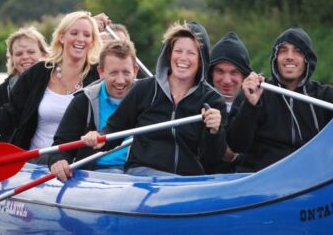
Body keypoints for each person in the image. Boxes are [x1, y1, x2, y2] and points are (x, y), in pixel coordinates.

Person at [0, 11, 109, 161]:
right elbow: (9, 112)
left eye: (87, 35)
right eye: (74, 33)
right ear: (62, 37)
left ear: (93, 41)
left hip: (76, 163)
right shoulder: (38, 73)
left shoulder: (99, 77)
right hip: (33, 161)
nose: (80, 39)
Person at [227, 27, 333, 172]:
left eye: (298, 51)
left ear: (307, 60)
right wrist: (250, 105)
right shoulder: (255, 91)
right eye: (283, 51)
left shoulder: (325, 96)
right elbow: (237, 145)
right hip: (262, 179)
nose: (289, 57)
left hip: (308, 181)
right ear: (275, 59)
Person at [81, 22, 227, 176]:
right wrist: (99, 137)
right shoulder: (144, 90)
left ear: (201, 59)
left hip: (187, 182)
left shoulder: (213, 100)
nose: (183, 58)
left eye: (191, 53)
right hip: (143, 177)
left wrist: (215, 131)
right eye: (178, 51)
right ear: (169, 54)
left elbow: (214, 159)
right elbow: (114, 129)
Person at [48, 40, 139, 181]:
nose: (120, 81)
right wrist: (59, 161)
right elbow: (61, 145)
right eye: (114, 73)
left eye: (126, 73)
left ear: (135, 70)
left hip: (139, 172)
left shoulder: (149, 95)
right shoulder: (84, 100)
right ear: (100, 72)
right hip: (97, 174)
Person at [205, 31, 252, 173]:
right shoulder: (197, 102)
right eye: (220, 71)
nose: (226, 80)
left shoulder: (257, 105)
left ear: (244, 75)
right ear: (211, 74)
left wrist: (237, 156)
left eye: (234, 72)